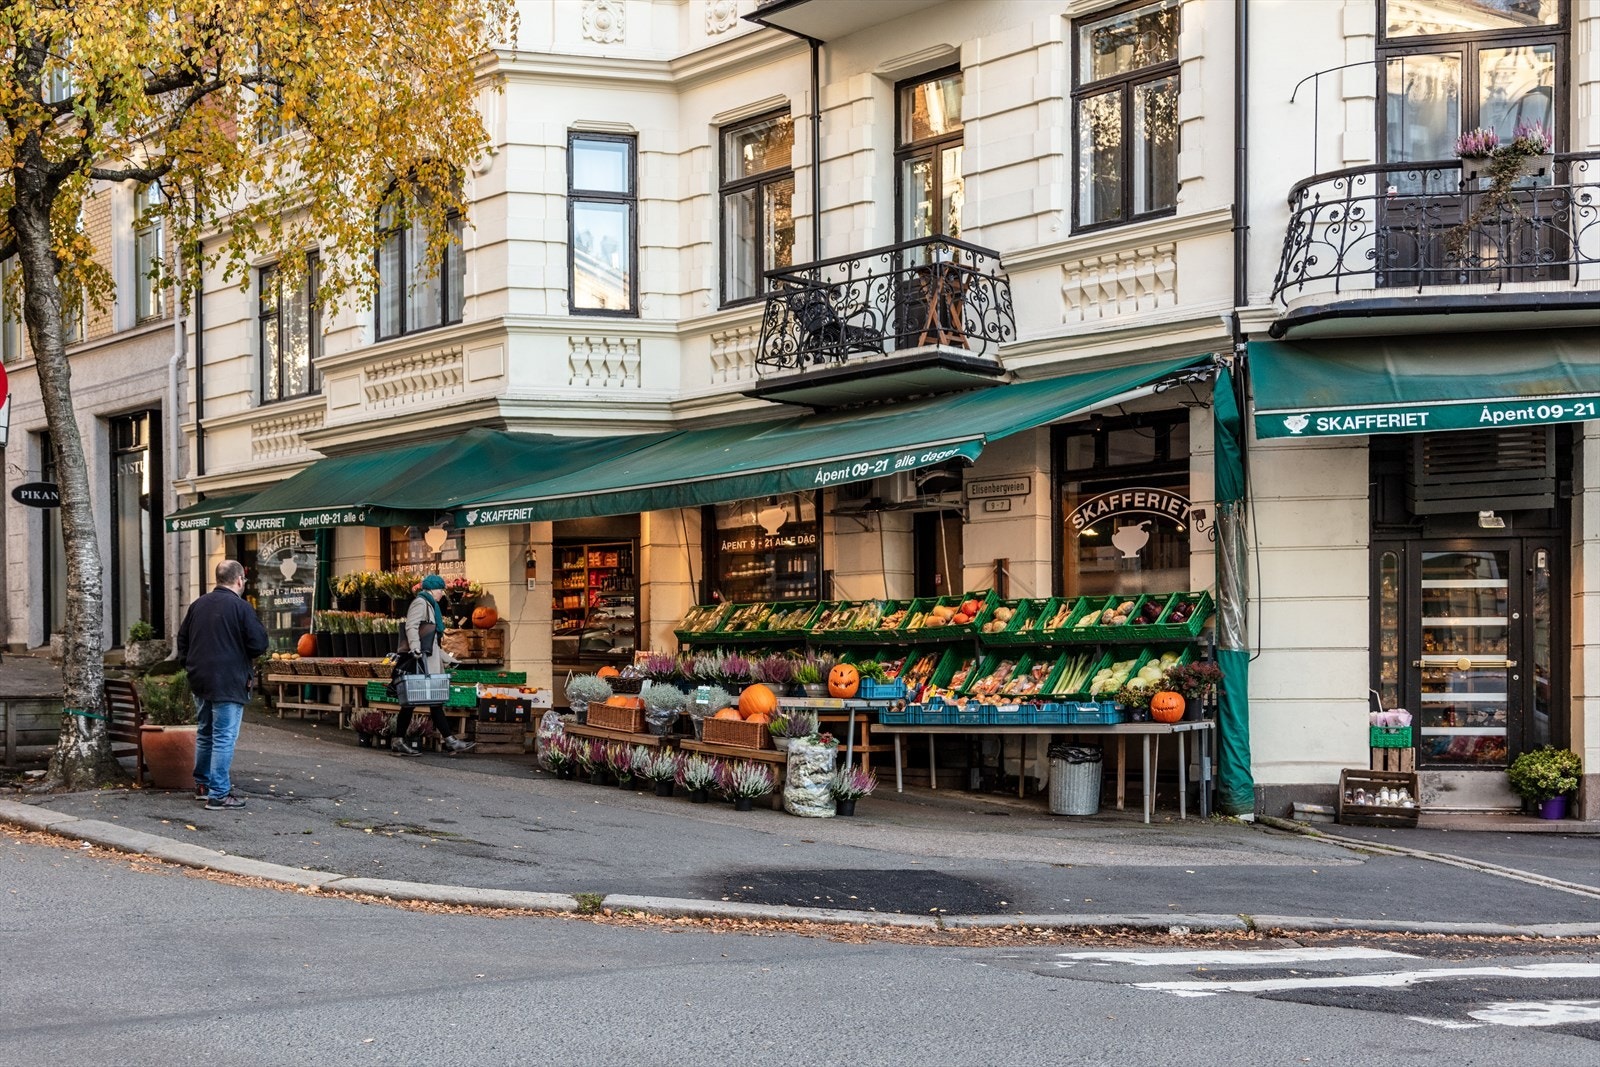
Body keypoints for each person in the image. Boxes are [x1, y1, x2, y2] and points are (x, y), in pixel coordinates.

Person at [177, 559, 269, 810]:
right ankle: (218, 793)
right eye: (244, 580)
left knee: (206, 732)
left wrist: (190, 665)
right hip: (229, 680)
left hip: (200, 678)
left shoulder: (198, 605)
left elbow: (182, 640)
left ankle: (203, 785)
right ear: (239, 580)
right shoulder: (241, 608)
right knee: (224, 737)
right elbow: (258, 644)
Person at [392, 574, 475, 755]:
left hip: (427, 660)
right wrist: (415, 647)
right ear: (431, 589)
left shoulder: (430, 605)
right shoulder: (420, 603)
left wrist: (448, 659)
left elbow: (432, 642)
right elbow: (411, 626)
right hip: (420, 661)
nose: (442, 593)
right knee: (412, 702)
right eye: (440, 590)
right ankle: (402, 741)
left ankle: (449, 741)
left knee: (431, 701)